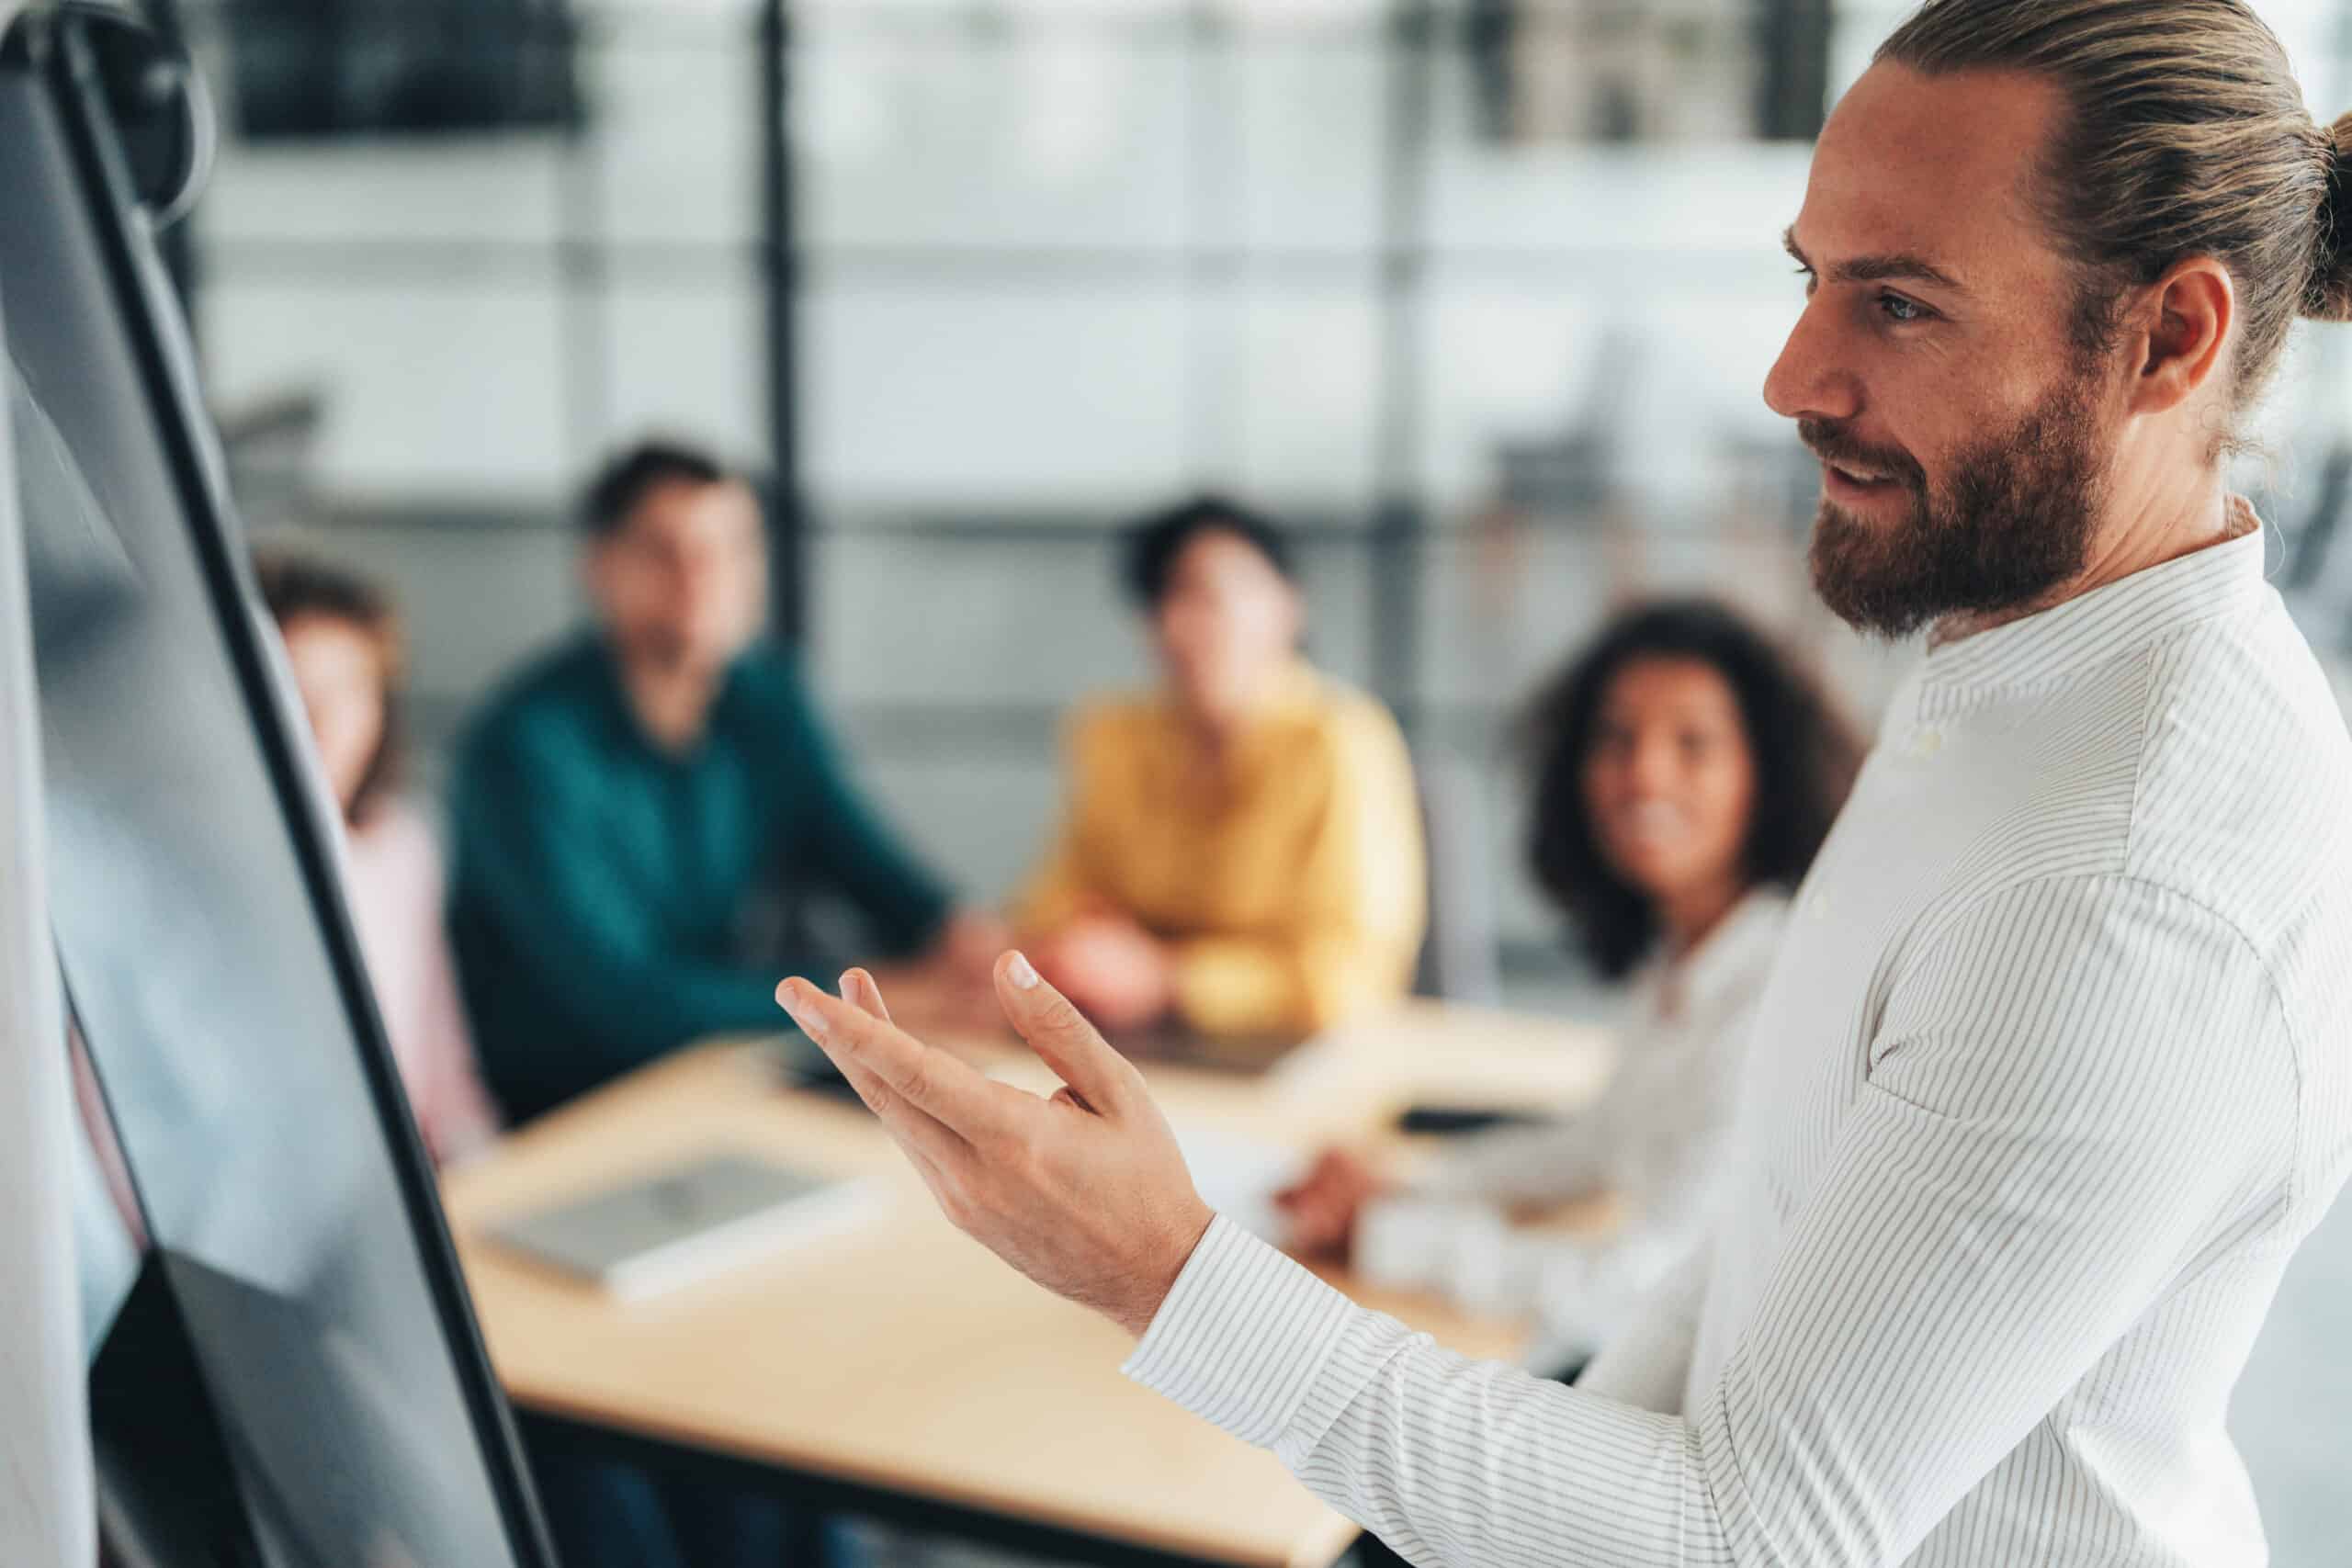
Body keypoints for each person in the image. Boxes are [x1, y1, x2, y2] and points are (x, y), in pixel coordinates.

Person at [775, 3, 2352, 1562]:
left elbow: (1751, 1539)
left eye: (1900, 306)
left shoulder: (2130, 880)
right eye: (1810, 282)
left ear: (2168, 337)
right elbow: (1759, 1242)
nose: (1794, 375)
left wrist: (1165, 1272)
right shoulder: (2011, 659)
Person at [1278, 600, 1860, 1376]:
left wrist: (1390, 1238)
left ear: (1768, 775)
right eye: (1617, 738)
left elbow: (1641, 1284)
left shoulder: (1778, 995)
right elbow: (1603, 1142)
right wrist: (1408, 1184)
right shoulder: (1688, 956)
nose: (1643, 772)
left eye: (1693, 744)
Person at [448, 440, 1001, 1122]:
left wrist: (964, 938)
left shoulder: (766, 698)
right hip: (574, 1107)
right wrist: (880, 996)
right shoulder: (524, 748)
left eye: (730, 548)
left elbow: (866, 858)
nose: (702, 576)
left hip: (724, 1074)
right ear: (598, 567)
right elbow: (627, 999)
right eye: (664, 550)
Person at [1014, 496, 1426, 1042]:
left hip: (1295, 1055)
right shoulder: (1114, 733)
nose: (1182, 624)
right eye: (1163, 598)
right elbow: (1052, 899)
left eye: (1210, 595)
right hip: (1133, 1045)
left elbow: (1351, 979)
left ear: (1288, 605)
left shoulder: (1341, 742)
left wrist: (1167, 978)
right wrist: (1077, 942)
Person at [255, 550, 501, 1166]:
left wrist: (484, 1174)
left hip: (410, 1182)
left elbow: (440, 1060)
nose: (325, 723)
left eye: (350, 689)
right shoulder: (203, 879)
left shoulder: (402, 847)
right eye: (296, 690)